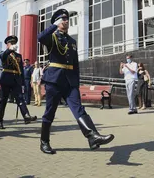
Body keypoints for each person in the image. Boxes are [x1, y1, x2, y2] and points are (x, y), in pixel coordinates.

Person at [38, 9, 114, 155]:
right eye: (63, 19)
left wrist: (76, 82)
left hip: (69, 80)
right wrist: (53, 26)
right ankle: (44, 142)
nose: (66, 21)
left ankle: (93, 136)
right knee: (50, 112)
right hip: (54, 79)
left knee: (78, 108)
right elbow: (40, 37)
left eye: (67, 19)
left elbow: (75, 64)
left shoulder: (72, 41)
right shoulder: (51, 37)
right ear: (57, 21)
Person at [0, 35, 37, 129]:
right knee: (3, 101)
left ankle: (26, 116)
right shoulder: (4, 54)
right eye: (12, 43)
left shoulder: (19, 56)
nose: (14, 45)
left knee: (20, 99)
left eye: (15, 43)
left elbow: (21, 71)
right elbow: (3, 56)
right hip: (6, 79)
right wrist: (10, 50)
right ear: (8, 44)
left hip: (16, 80)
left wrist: (22, 83)